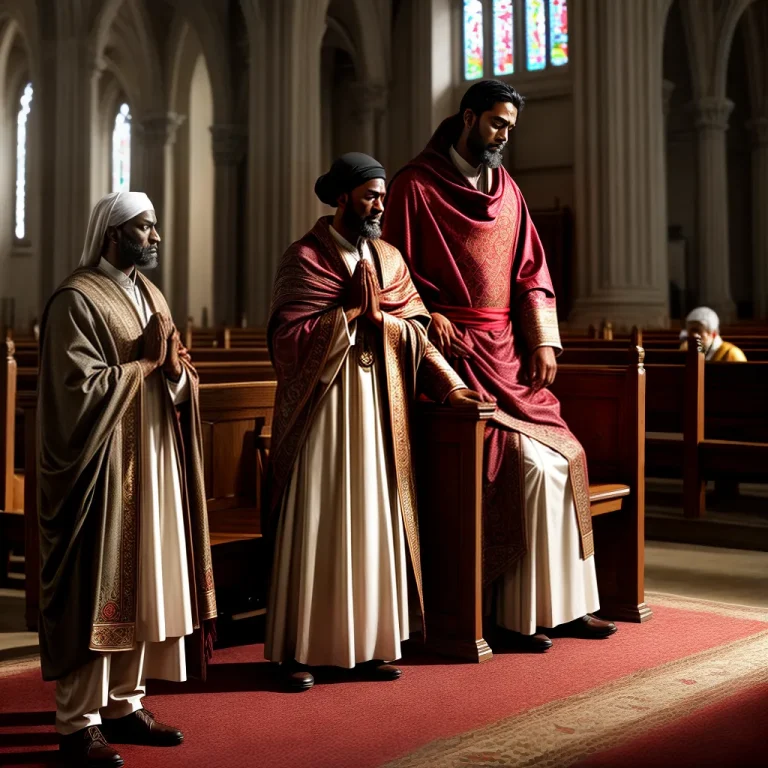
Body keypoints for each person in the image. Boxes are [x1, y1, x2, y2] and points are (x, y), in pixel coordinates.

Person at [382, 80, 617, 653]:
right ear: (468, 118)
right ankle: (519, 615)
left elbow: (532, 272)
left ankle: (569, 607)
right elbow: (390, 268)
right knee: (526, 467)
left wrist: (543, 343)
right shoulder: (415, 186)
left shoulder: (510, 191)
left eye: (510, 126)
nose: (505, 134)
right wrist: (424, 315)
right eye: (496, 123)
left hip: (507, 352)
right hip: (450, 358)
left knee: (568, 456)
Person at [264, 153, 482, 690]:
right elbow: (286, 345)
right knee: (324, 521)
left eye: (382, 196)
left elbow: (417, 329)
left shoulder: (388, 258)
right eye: (370, 196)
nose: (380, 205)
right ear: (341, 199)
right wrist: (348, 316)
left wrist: (450, 384)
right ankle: (301, 650)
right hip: (324, 412)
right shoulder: (304, 258)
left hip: (380, 409)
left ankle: (368, 645)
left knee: (371, 521)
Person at [38, 191, 217, 767]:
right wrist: (143, 364)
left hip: (154, 457)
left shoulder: (151, 295)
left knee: (142, 582)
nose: (156, 237)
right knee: (100, 581)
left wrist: (172, 372)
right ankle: (78, 723)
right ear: (113, 235)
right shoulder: (77, 297)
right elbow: (75, 392)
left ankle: (124, 704)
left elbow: (178, 369)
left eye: (156, 227)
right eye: (145, 228)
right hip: (104, 466)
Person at [680, 307, 747, 361]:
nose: (693, 335)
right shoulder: (685, 349)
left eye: (698, 331)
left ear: (713, 334)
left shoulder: (731, 353)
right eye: (690, 331)